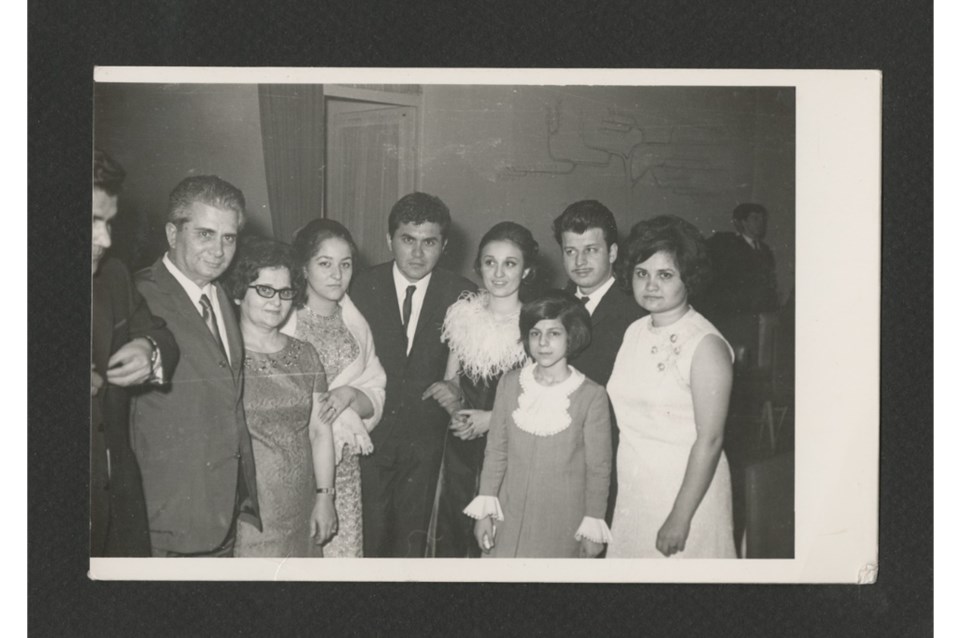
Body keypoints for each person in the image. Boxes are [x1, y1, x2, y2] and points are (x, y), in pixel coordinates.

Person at [130, 175, 260, 557]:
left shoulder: (221, 297)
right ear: (173, 233)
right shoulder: (136, 296)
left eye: (228, 237)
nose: (218, 250)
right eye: (205, 234)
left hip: (222, 513)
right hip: (165, 522)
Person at [350, 192, 476, 557]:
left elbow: (478, 374)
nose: (418, 253)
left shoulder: (463, 295)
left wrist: (458, 389)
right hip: (368, 438)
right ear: (389, 239)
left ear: (445, 245)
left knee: (412, 550)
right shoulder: (358, 286)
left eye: (429, 242)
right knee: (367, 544)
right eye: (408, 240)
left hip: (427, 446)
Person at [606, 216, 736, 558]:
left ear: (688, 277)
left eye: (665, 275)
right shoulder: (634, 331)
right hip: (636, 490)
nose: (650, 285)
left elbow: (711, 439)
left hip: (687, 497)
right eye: (641, 273)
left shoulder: (705, 345)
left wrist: (680, 517)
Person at [464, 290, 612, 558]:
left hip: (562, 523)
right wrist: (484, 513)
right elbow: (496, 451)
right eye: (535, 333)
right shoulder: (510, 383)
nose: (543, 343)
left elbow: (598, 469)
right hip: (507, 516)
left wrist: (593, 525)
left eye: (554, 333)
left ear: (571, 337)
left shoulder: (592, 395)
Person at [422, 221, 535, 557]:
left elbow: (540, 399)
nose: (498, 273)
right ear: (479, 266)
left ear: (526, 271)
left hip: (511, 446)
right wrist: (456, 410)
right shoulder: (464, 315)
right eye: (490, 262)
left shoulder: (536, 324)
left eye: (510, 263)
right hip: (461, 446)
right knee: (452, 534)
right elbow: (453, 381)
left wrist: (491, 419)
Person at [223, 237, 337, 557]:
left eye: (285, 292)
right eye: (265, 290)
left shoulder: (306, 355)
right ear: (239, 293)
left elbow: (320, 431)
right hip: (249, 512)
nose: (276, 301)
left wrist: (325, 496)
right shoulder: (224, 358)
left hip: (303, 505)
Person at [90, 149, 179, 557]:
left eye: (108, 223)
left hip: (114, 505)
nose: (105, 241)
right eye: (92, 222)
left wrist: (148, 349)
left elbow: (159, 335)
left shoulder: (113, 275)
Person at [282, 219, 387, 557]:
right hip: (293, 463)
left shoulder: (356, 325)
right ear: (304, 267)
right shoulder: (283, 320)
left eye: (345, 264)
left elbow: (376, 392)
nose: (337, 275)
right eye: (325, 264)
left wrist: (349, 395)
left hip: (343, 470)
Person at [552, 200, 646, 525]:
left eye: (591, 250)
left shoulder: (637, 310)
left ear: (613, 252)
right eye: (570, 251)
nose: (579, 262)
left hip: (611, 452)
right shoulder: (551, 305)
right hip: (556, 449)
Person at [703, 202, 779, 361]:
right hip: (736, 316)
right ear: (742, 222)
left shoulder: (765, 250)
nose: (760, 223)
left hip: (759, 317)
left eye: (763, 219)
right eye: (755, 218)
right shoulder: (729, 247)